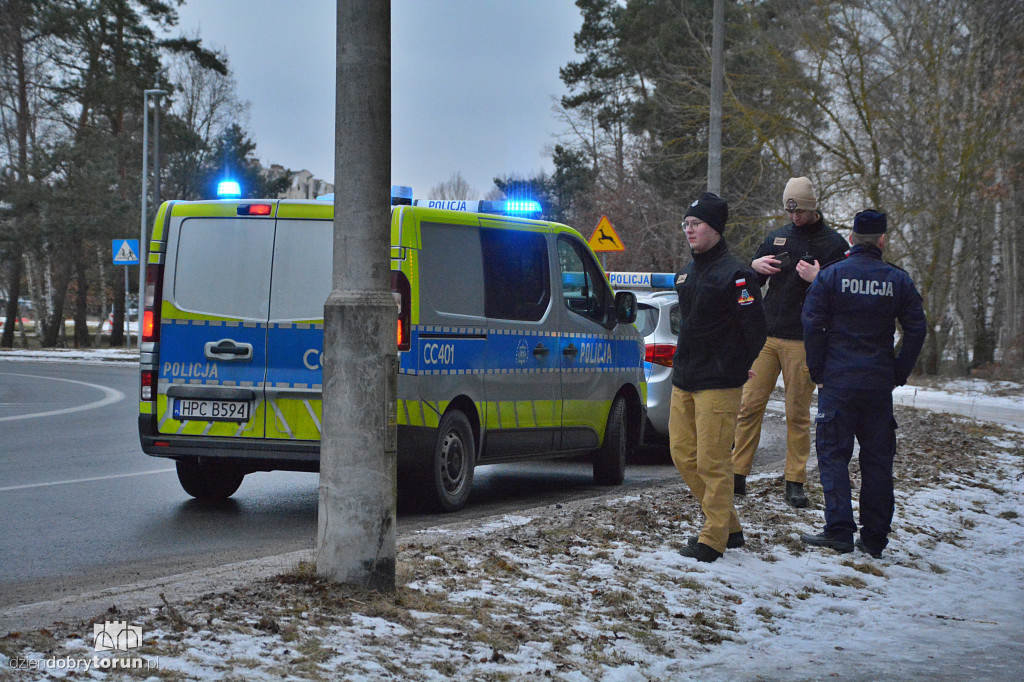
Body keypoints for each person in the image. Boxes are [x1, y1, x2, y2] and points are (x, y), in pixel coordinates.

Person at [800, 210, 926, 557]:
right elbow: (917, 328)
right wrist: (898, 370)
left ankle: (839, 529)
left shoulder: (831, 276)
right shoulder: (897, 280)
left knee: (832, 455)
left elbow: (811, 325)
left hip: (838, 383)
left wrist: (819, 372)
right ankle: (874, 537)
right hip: (877, 385)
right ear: (882, 240)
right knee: (877, 460)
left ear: (852, 239)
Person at [732, 177, 849, 508]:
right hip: (767, 336)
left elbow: (843, 292)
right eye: (789, 210)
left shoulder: (833, 244)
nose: (795, 217)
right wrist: (754, 267)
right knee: (749, 406)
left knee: (797, 413)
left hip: (804, 339)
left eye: (800, 211)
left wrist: (820, 278)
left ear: (812, 207)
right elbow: (749, 280)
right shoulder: (776, 237)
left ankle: (795, 480)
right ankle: (737, 474)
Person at [669, 192, 767, 563]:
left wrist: (737, 363)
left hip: (719, 381)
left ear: (716, 228)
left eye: (696, 224)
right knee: (683, 455)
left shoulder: (737, 275)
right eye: (687, 224)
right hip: (685, 377)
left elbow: (755, 329)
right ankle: (730, 524)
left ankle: (713, 539)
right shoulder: (689, 271)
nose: (689, 230)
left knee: (712, 461)